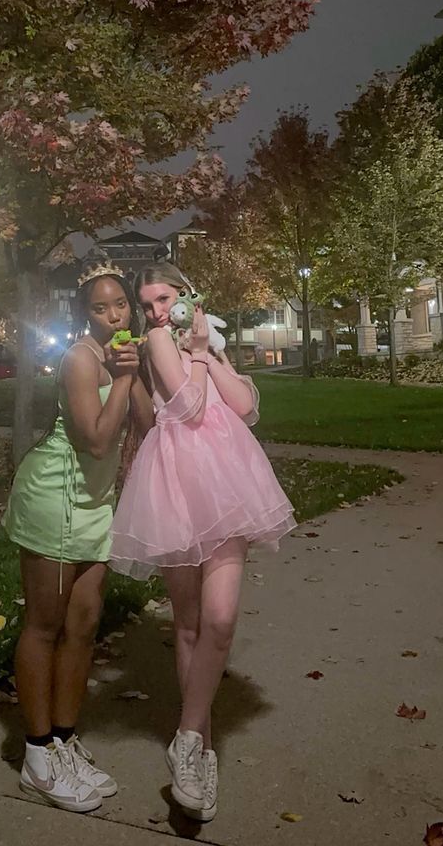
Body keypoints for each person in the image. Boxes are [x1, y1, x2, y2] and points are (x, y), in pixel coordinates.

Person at [110, 262, 296, 822]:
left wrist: (211, 353)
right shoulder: (160, 341)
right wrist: (191, 352)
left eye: (162, 299)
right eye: (147, 305)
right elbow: (187, 407)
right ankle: (201, 755)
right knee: (188, 622)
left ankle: (186, 736)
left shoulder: (203, 337)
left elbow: (243, 406)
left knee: (220, 620)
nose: (155, 312)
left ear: (188, 294)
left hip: (228, 481)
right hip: (175, 480)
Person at [3, 256, 154, 814]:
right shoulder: (78, 359)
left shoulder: (119, 358)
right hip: (56, 497)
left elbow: (148, 426)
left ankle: (64, 740)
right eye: (100, 306)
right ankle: (37, 754)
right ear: (84, 312)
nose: (113, 314)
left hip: (96, 504)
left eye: (121, 305)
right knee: (45, 624)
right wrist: (123, 377)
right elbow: (95, 441)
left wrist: (132, 374)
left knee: (84, 624)